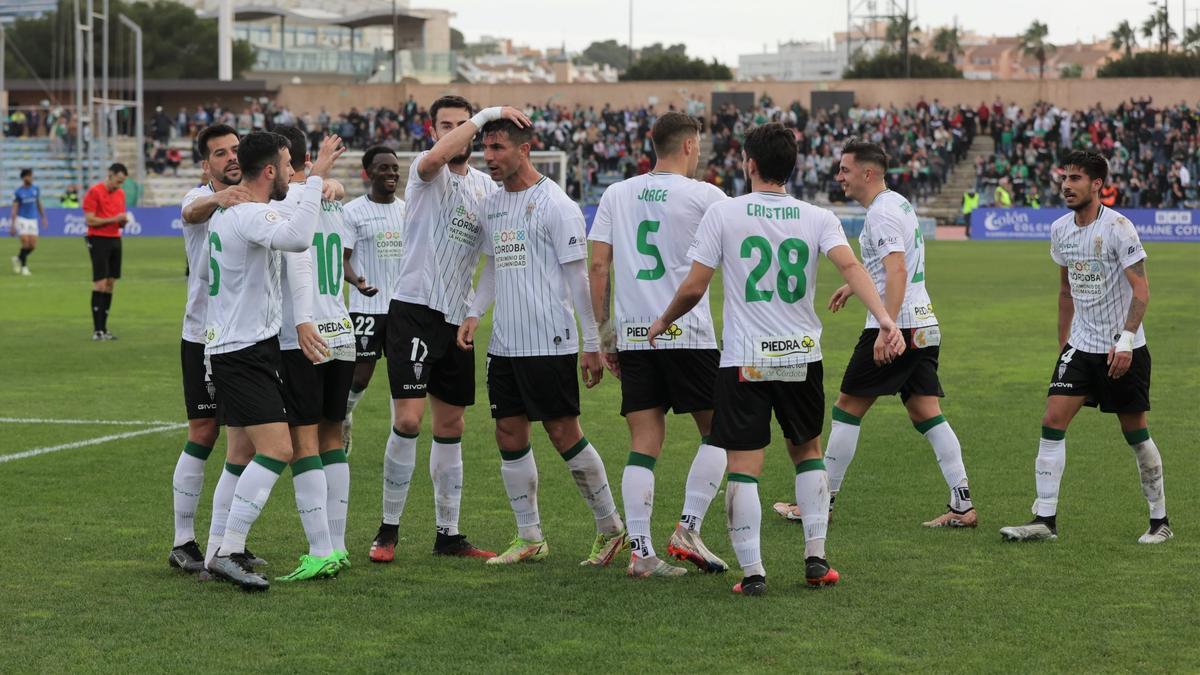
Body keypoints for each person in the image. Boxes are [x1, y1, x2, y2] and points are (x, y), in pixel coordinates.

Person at [646, 123, 905, 596]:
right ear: (793, 166)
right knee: (807, 453)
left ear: (750, 163)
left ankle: (754, 574)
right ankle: (816, 559)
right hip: (800, 356)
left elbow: (695, 286)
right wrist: (885, 319)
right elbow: (851, 267)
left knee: (744, 464)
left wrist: (663, 321)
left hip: (745, 359)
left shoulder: (724, 213)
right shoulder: (818, 216)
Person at [773, 139, 977, 528]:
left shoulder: (881, 214)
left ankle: (819, 503)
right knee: (925, 410)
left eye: (845, 170)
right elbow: (893, 265)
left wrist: (888, 326)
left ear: (867, 173)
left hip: (898, 325)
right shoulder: (897, 203)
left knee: (847, 407)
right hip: (924, 323)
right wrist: (854, 287)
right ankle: (962, 505)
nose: (839, 176)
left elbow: (897, 269)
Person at [457, 117, 627, 566]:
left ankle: (611, 528)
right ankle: (529, 536)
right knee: (508, 431)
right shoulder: (492, 205)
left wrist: (592, 342)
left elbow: (578, 279)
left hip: (549, 342)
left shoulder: (557, 204)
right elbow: (493, 266)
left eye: (498, 148)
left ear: (524, 149)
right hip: (504, 345)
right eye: (486, 149)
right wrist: (475, 312)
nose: (489, 157)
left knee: (563, 432)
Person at [368, 97, 525, 563]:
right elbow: (438, 155)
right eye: (447, 125)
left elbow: (493, 260)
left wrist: (475, 311)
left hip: (456, 318)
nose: (457, 132)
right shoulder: (426, 170)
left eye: (462, 123)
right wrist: (486, 114)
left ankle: (448, 534)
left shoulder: (486, 189)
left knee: (451, 425)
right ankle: (387, 530)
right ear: (433, 129)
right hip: (414, 309)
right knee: (407, 420)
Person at [1000, 150, 1171, 545]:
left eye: (1075, 178)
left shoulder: (1120, 228)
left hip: (1122, 349)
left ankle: (1160, 520)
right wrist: (1064, 344)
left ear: (1096, 184)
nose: (1066, 185)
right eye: (1065, 177)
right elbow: (1065, 290)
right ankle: (1044, 519)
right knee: (1052, 421)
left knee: (1135, 433)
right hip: (1080, 346)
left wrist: (1126, 341)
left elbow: (1141, 291)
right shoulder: (1060, 229)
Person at [587, 112, 730, 578]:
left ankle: (642, 553)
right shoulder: (707, 196)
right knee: (721, 432)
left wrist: (604, 335)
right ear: (688, 145)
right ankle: (688, 527)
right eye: (699, 145)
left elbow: (598, 268)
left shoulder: (616, 193)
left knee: (643, 443)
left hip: (633, 337)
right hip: (688, 334)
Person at [203, 131, 345, 591]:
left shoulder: (231, 214)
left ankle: (217, 549)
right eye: (286, 166)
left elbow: (208, 270)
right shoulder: (249, 214)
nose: (291, 173)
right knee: (279, 449)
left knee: (242, 453)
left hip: (243, 347)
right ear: (269, 171)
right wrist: (316, 178)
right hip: (241, 352)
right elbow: (299, 238)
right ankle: (228, 552)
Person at [270, 125, 357, 581]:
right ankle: (337, 546)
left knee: (303, 444)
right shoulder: (333, 202)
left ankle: (320, 550)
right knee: (331, 439)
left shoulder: (287, 203)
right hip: (341, 330)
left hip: (300, 337)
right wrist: (326, 181)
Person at [168, 123, 252, 573]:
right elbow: (191, 213)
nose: (231, 157)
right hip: (203, 336)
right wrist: (221, 198)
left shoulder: (256, 197)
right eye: (220, 153)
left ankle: (228, 543)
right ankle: (183, 541)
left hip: (248, 337)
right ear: (206, 165)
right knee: (203, 433)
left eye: (235, 149)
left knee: (247, 440)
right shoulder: (198, 197)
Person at [341, 146, 406, 455]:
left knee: (402, 378)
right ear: (368, 173)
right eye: (384, 168)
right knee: (361, 377)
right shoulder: (352, 212)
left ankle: (400, 441)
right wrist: (357, 281)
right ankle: (344, 414)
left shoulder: (407, 210)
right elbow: (342, 259)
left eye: (394, 167)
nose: (391, 173)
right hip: (366, 307)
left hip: (402, 309)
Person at [82, 163, 129, 340]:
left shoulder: (121, 194)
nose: (119, 184)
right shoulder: (94, 192)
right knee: (100, 283)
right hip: (98, 239)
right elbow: (90, 220)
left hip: (115, 238)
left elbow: (118, 219)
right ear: (110, 174)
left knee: (110, 283)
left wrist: (122, 222)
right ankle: (97, 330)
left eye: (122, 182)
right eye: (118, 180)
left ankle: (104, 328)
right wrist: (114, 219)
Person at [10, 168, 47, 275]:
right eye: (29, 176)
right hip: (22, 219)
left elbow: (38, 203)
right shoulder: (18, 192)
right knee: (25, 243)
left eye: (31, 176)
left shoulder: (36, 189)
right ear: (24, 178)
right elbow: (15, 208)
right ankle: (24, 267)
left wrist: (43, 217)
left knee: (32, 246)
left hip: (33, 219)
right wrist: (13, 224)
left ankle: (18, 258)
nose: (31, 178)